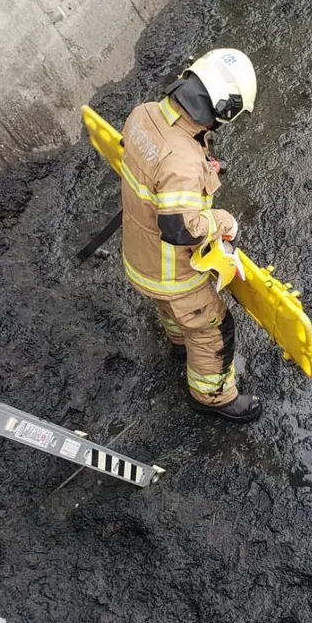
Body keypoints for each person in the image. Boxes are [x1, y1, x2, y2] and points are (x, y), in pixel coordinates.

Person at [121, 48, 261, 423]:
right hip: (173, 273)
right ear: (224, 107)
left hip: (140, 256)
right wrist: (222, 221)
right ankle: (212, 393)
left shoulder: (144, 114)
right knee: (213, 328)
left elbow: (153, 170)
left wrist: (205, 167)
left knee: (172, 313)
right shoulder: (181, 162)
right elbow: (181, 227)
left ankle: (179, 343)